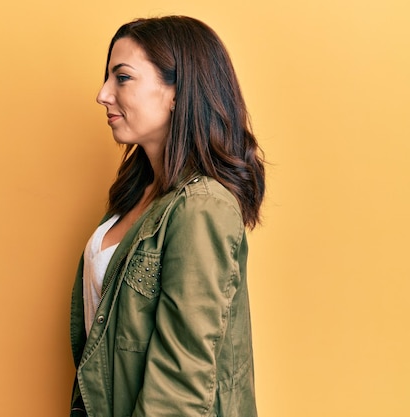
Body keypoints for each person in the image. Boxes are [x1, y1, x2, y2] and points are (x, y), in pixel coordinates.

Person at [69, 15, 265, 417]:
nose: (103, 94)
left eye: (122, 77)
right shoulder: (137, 192)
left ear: (178, 92)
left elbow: (182, 379)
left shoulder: (202, 206)